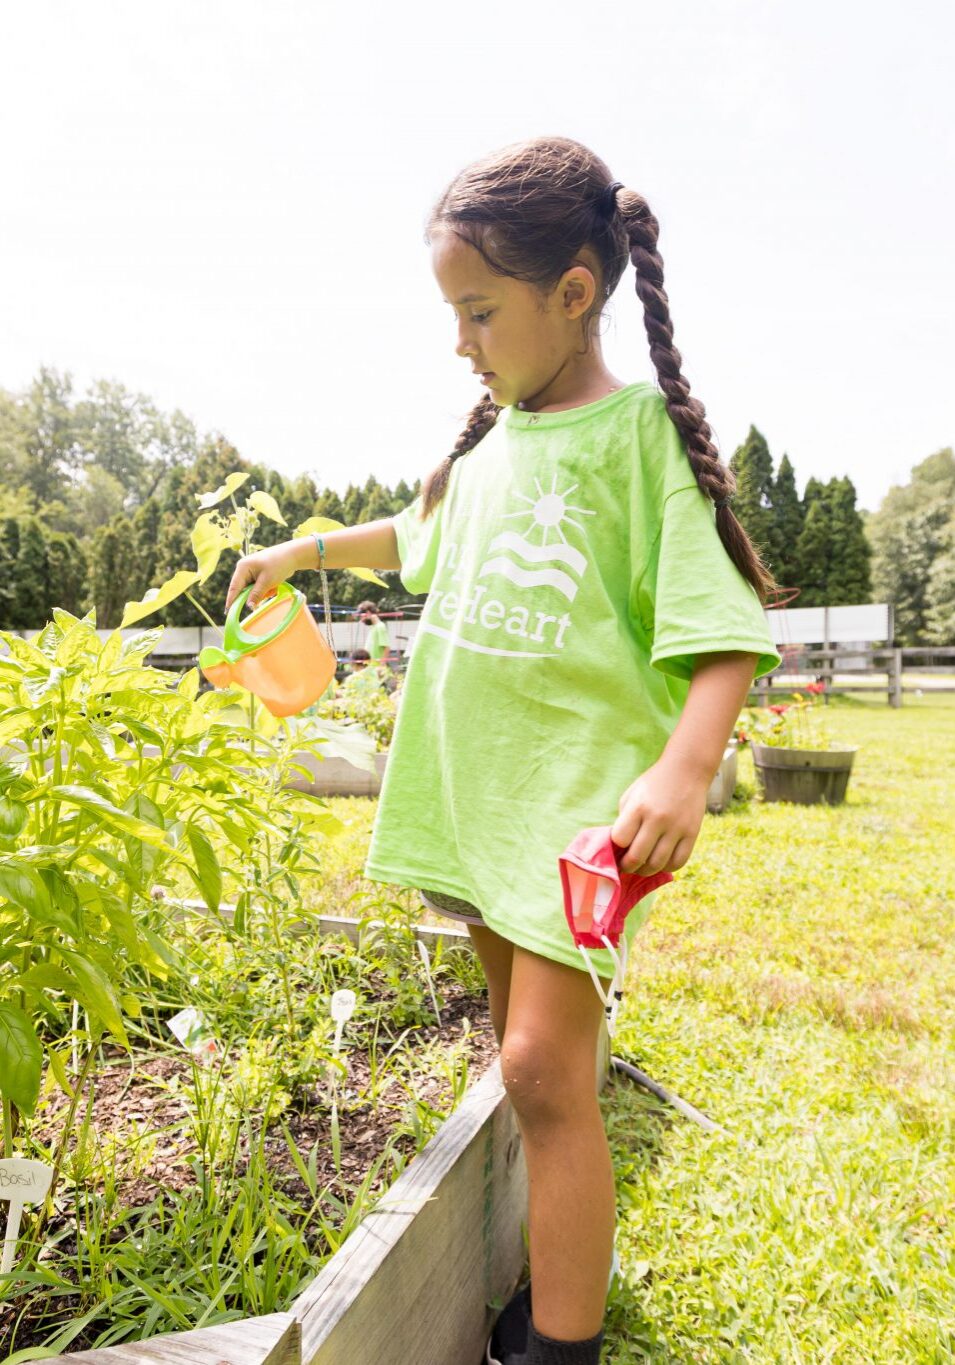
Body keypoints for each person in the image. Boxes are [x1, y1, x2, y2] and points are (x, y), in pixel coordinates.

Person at [226, 136, 781, 1365]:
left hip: (577, 814)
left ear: (573, 294)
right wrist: (304, 551)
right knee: (525, 1061)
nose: (461, 341)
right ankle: (536, 1278)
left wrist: (686, 767)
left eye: (478, 311)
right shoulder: (488, 447)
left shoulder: (636, 439)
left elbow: (724, 623)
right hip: (479, 792)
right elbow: (411, 538)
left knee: (539, 1070)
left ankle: (555, 1348)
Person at [356, 599, 394, 666]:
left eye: (361, 616)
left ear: (368, 613)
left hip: (376, 668)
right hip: (370, 667)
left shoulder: (380, 626)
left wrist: (381, 666)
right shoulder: (373, 627)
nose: (361, 620)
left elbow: (386, 647)